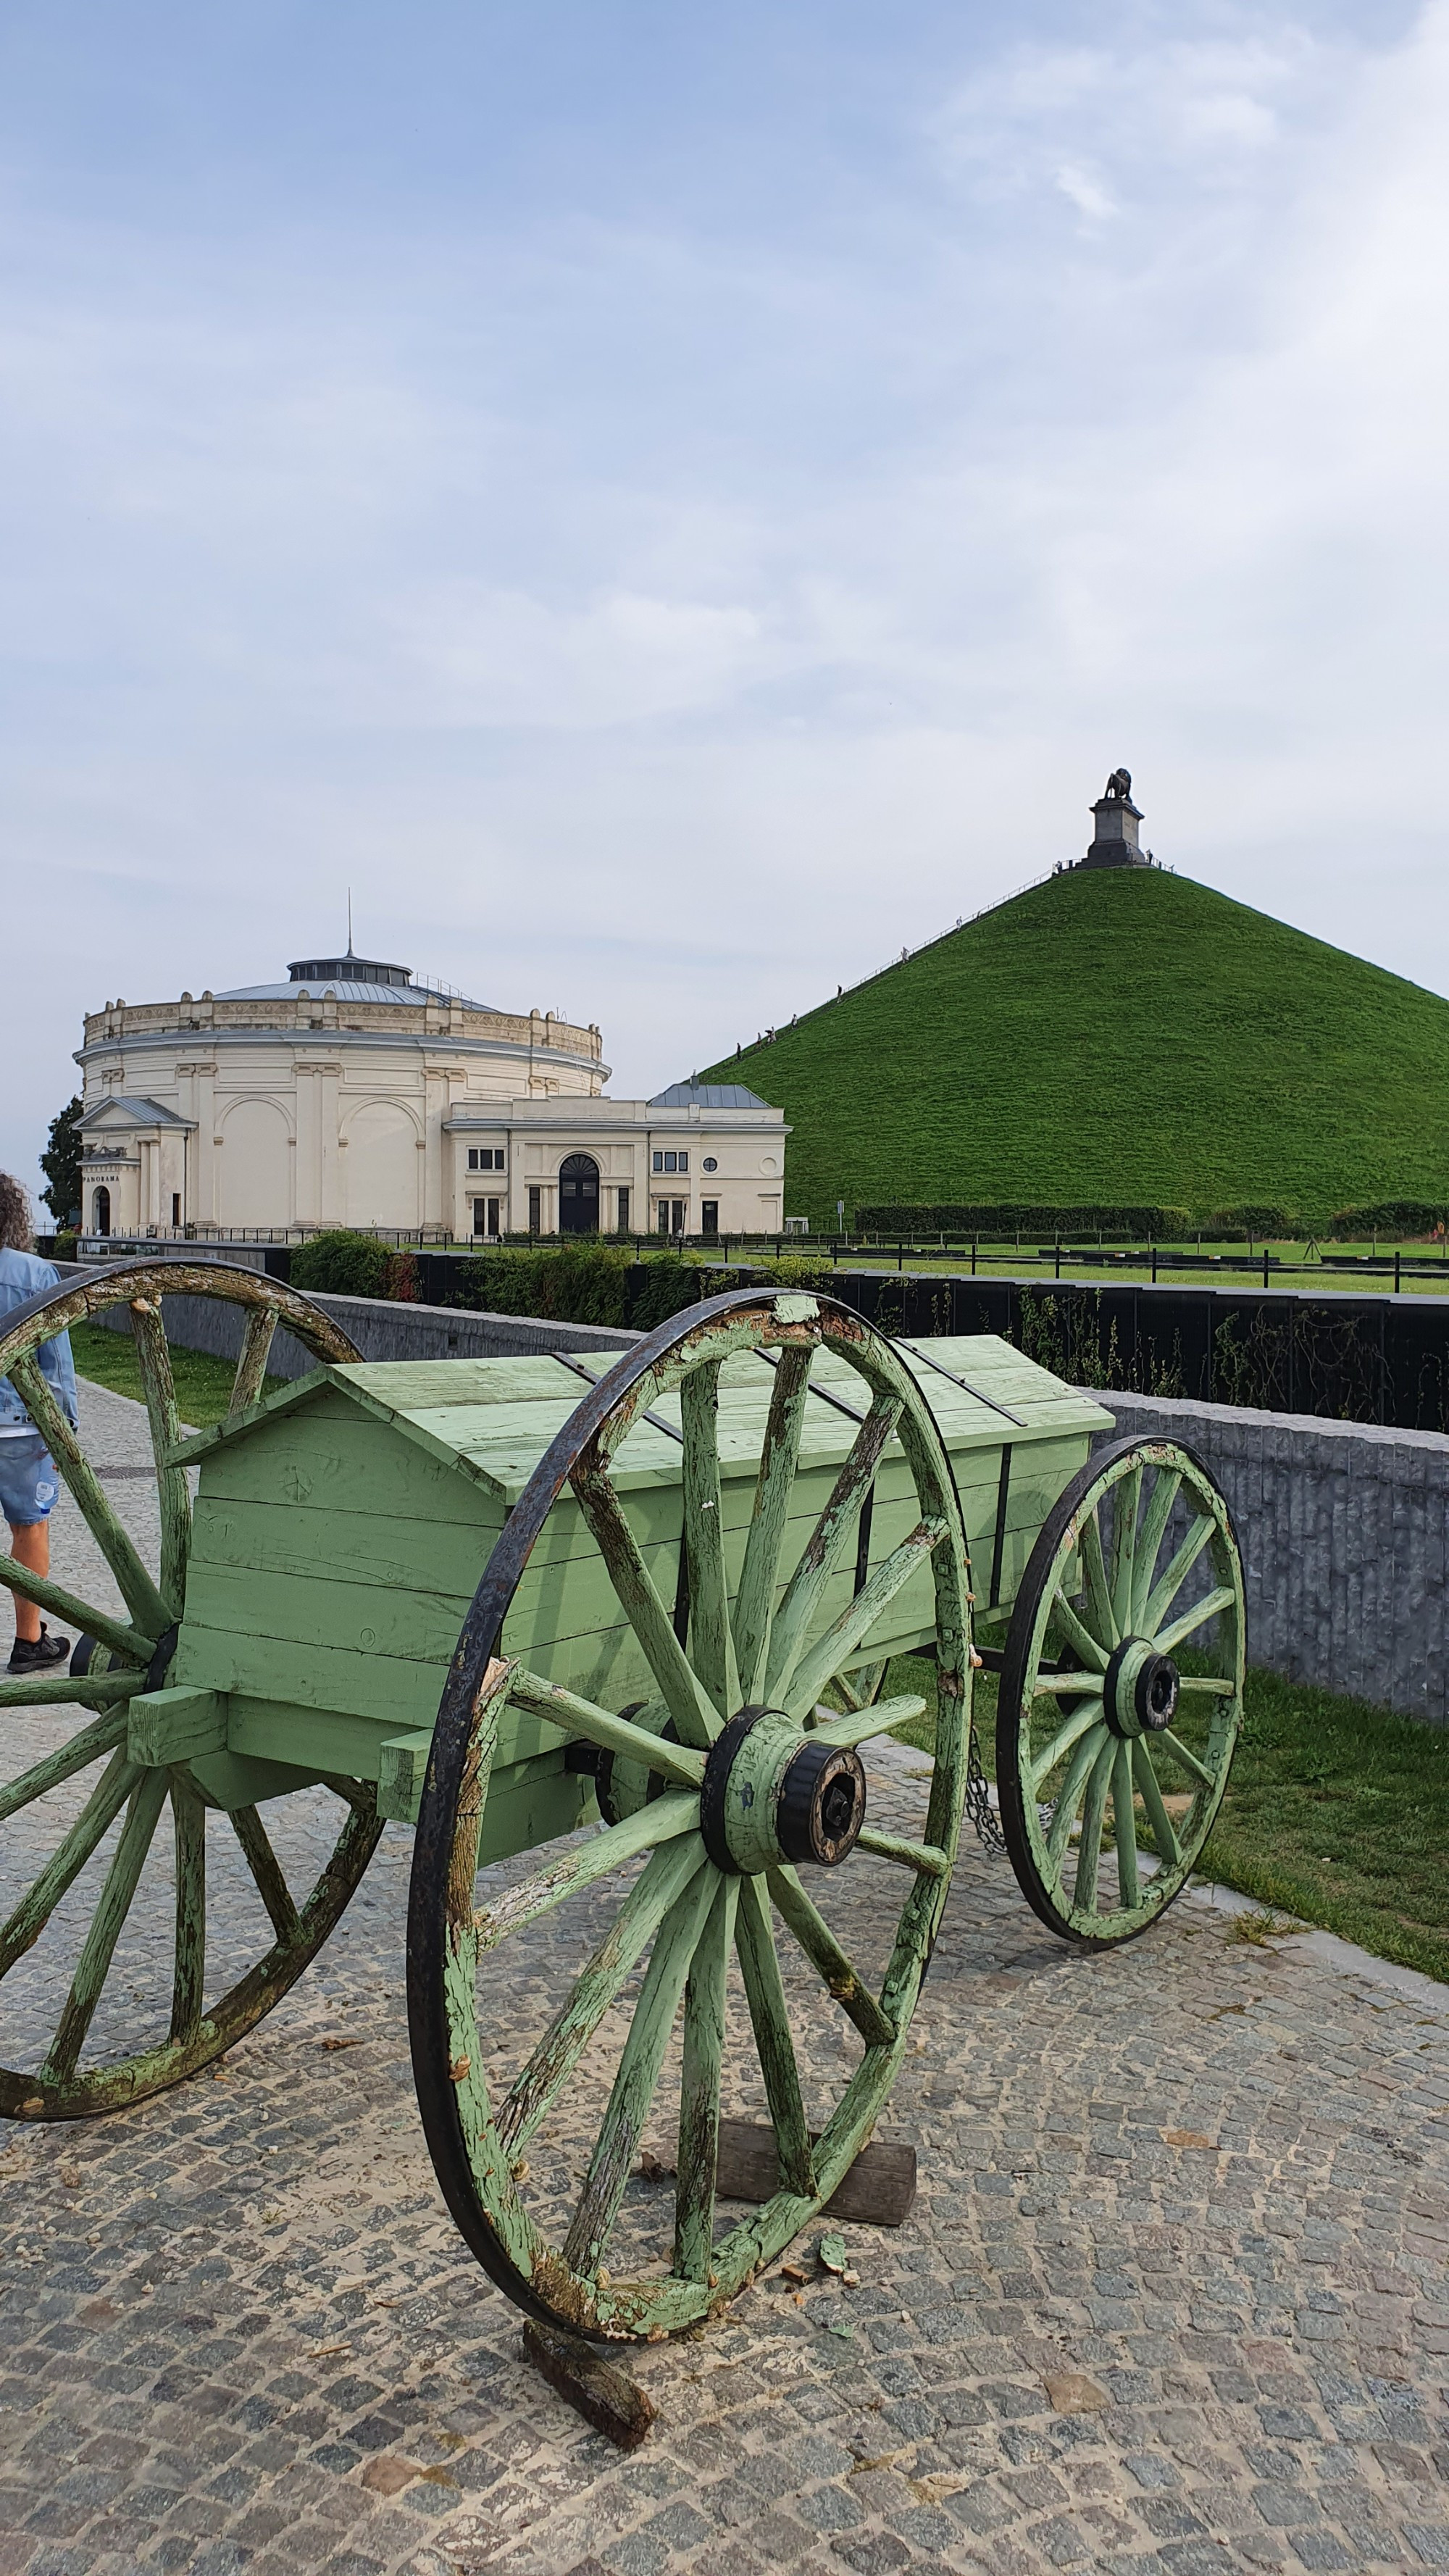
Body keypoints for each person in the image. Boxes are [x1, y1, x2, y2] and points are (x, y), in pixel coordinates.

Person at [0, 1172, 78, 1673]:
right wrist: (64, 1423)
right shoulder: (34, 1273)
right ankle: (30, 1639)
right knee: (30, 1527)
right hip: (21, 1427)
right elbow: (56, 1361)